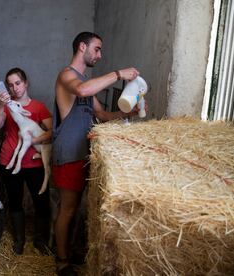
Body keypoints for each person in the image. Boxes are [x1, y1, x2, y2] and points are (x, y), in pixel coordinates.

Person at [52, 32, 143, 275]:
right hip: (68, 153)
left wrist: (127, 114)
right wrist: (118, 74)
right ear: (82, 47)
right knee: (68, 209)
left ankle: (70, 250)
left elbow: (101, 115)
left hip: (83, 153)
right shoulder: (67, 75)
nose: (99, 55)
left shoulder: (85, 81)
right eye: (97, 49)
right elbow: (81, 91)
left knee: (77, 208)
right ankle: (61, 261)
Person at [0, 67, 52, 255]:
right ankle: (19, 240)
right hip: (9, 159)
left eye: (18, 83)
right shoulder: (7, 106)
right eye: (10, 85)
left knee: (41, 201)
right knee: (15, 201)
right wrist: (1, 106)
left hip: (35, 163)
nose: (14, 88)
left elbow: (52, 131)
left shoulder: (38, 107)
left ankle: (40, 240)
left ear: (26, 83)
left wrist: (34, 141)